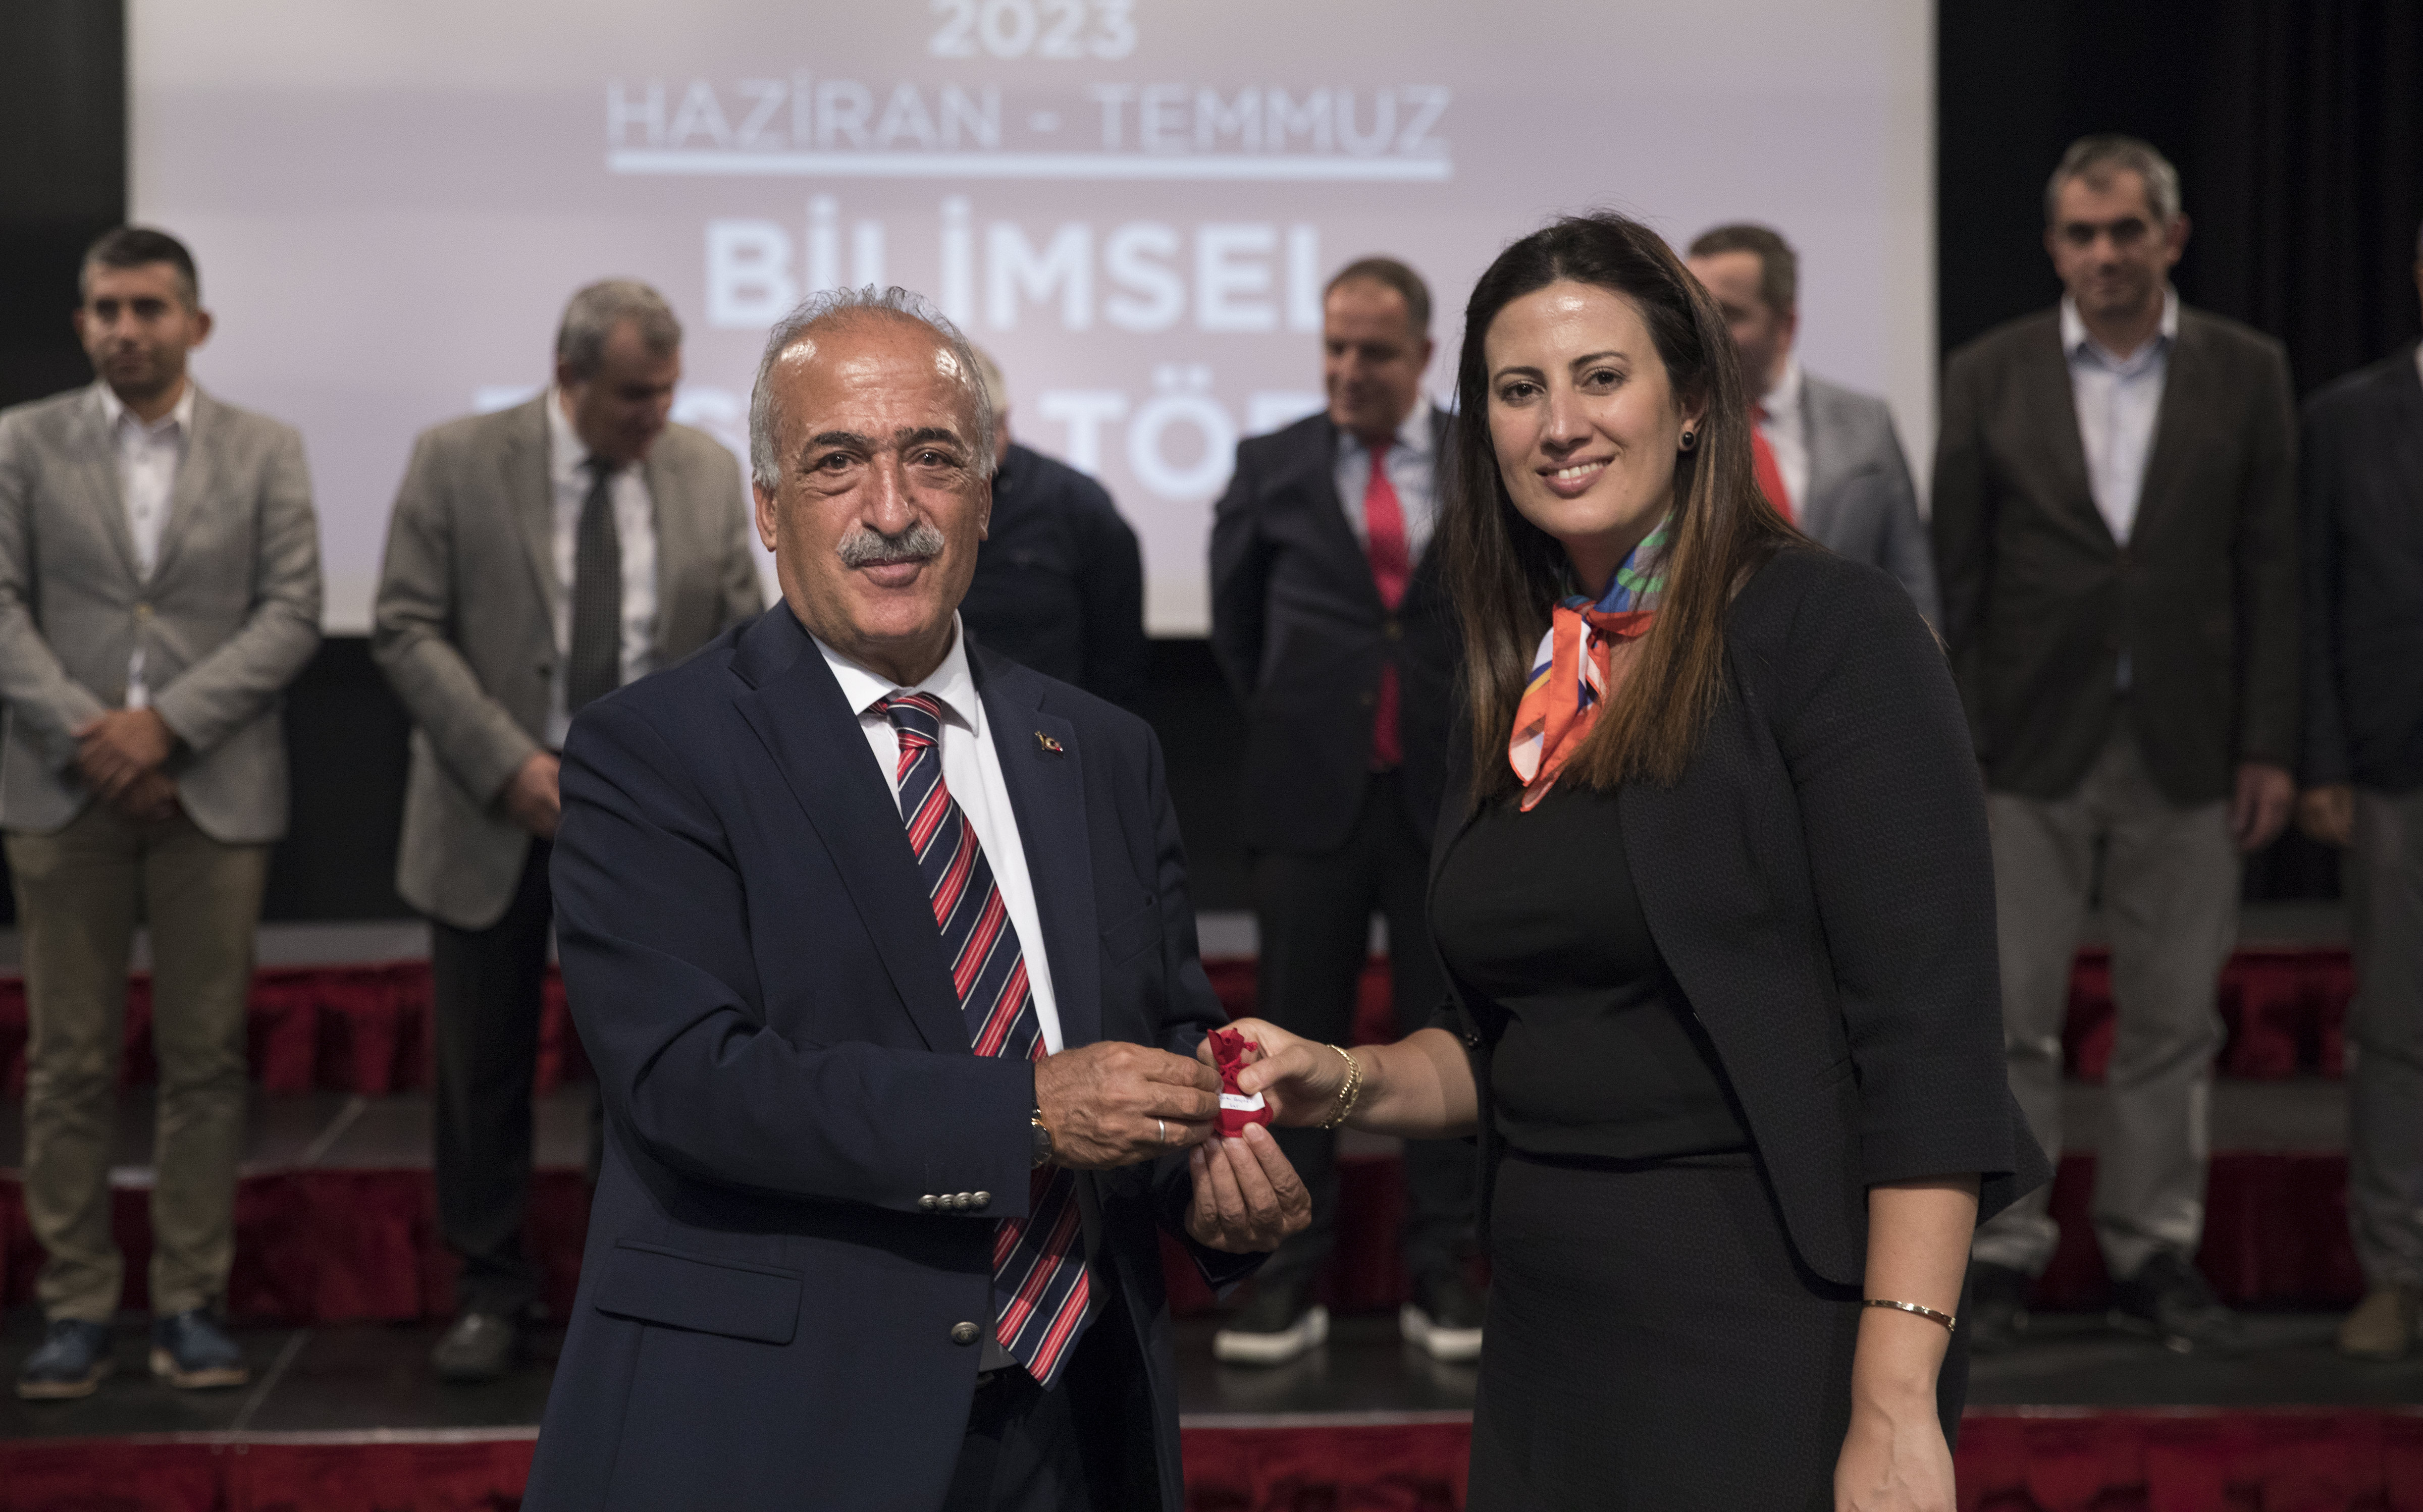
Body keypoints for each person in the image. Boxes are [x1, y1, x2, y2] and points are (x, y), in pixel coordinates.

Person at [1218, 212, 2044, 1511]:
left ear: (1694, 401)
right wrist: (1342, 1076)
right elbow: (1510, 1041)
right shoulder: (1523, 671)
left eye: (1600, 377)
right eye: (1517, 390)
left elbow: (1930, 1051)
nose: (1560, 425)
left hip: (1769, 1326)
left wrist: (1894, 1404)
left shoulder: (1833, 631)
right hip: (1548, 1335)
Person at [520, 285, 1308, 1512]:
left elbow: (1154, 1035)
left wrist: (1214, 1178)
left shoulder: (1101, 750)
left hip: (1072, 1432)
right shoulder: (651, 751)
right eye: (837, 463)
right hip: (785, 1431)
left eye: (932, 459)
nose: (891, 511)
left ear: (985, 497)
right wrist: (1027, 1111)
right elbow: (692, 1082)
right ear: (768, 510)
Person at [1934, 134, 2300, 1355]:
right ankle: (2003, 1251)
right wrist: (1954, 742)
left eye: (2125, 231)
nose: (2104, 254)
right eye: (2082, 234)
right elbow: (1955, 578)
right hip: (2023, 745)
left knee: (2172, 1022)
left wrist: (2268, 742)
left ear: (2170, 239)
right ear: (2053, 247)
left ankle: (2152, 1250)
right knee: (2008, 1018)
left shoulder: (2247, 371)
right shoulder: (1987, 374)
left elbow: (2272, 571)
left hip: (2192, 745)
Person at [371, 279, 763, 1381]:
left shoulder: (702, 471)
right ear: (568, 376)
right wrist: (509, 765)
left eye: (668, 391)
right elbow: (405, 626)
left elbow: (740, 631)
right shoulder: (457, 458)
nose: (656, 414)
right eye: (635, 394)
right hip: (489, 806)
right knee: (482, 1068)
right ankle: (488, 1290)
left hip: (650, 821)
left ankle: (627, 1290)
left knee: (642, 1065)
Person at [0, 226, 323, 1399]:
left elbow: (292, 612)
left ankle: (191, 1300)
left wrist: (165, 726)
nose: (125, 329)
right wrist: (93, 734)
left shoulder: (265, 446)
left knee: (205, 1059)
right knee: (68, 1063)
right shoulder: (21, 442)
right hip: (60, 784)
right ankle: (76, 1305)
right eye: (106, 309)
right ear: (82, 322)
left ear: (197, 323)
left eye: (148, 308)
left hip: (211, 782)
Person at [1206, 256, 1479, 1365]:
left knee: (1446, 1033)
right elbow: (1236, 629)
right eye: (1335, 347)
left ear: (1423, 355)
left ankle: (1444, 1267)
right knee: (1287, 1039)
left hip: (1446, 794)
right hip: (1308, 794)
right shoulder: (1268, 463)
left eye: (1374, 350)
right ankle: (1286, 1274)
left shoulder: (1478, 454)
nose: (1349, 368)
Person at [2295, 222, 2423, 1361]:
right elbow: (2312, 599)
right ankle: (2398, 1268)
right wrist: (2324, 761)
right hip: (2392, 768)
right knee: (2394, 1027)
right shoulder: (2344, 419)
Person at [1686, 223, 1940, 623]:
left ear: (1785, 325)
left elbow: (1913, 581)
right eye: (1695, 314)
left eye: (1728, 314)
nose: (1705, 333)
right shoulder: (1672, 428)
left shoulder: (1868, 425)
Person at [957, 346, 1148, 707]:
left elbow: (1118, 656)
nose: (968, 455)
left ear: (1004, 423)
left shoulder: (1076, 503)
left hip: (1051, 723)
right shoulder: (898, 505)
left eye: (979, 434)